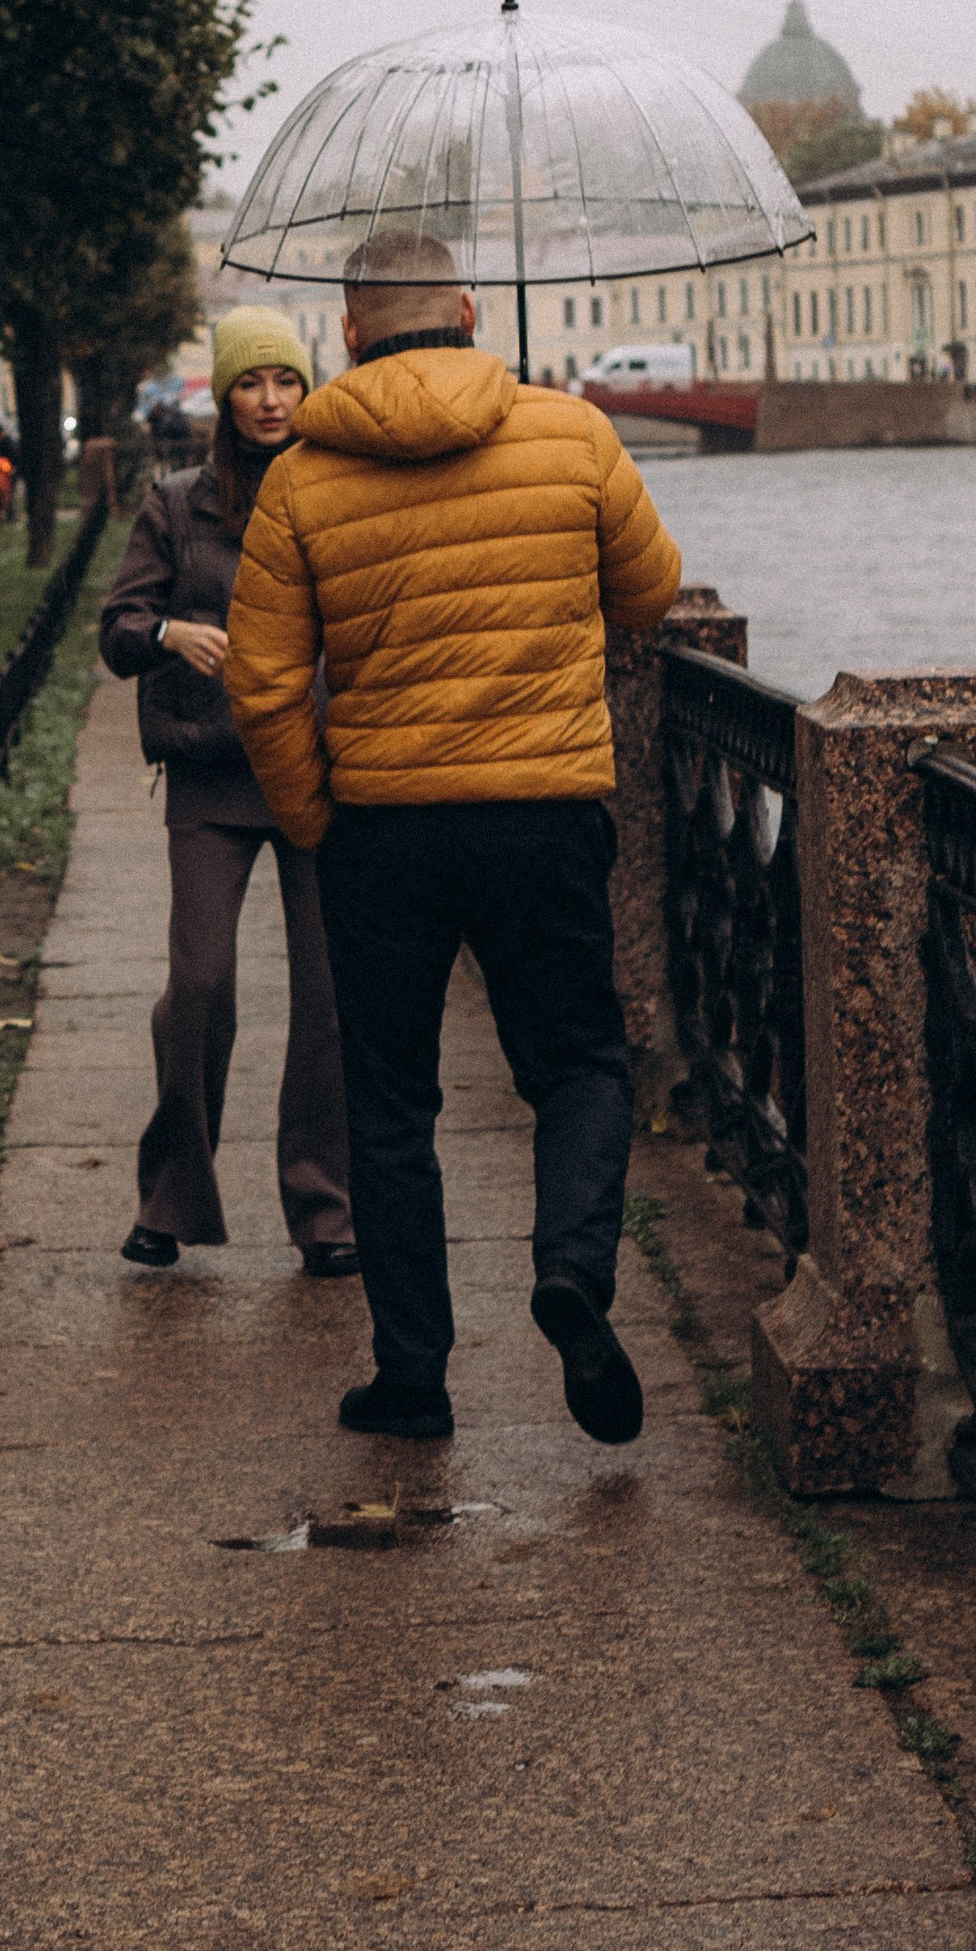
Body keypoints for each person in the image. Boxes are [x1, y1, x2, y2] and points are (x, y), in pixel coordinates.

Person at [224, 234, 682, 1444]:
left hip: (384, 830)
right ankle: (570, 1266)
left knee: (388, 1106)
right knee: (577, 1066)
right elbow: (649, 593)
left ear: (349, 335)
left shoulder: (300, 479)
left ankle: (413, 1378)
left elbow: (263, 685)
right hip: (543, 815)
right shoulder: (572, 434)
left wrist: (313, 815)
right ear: (471, 314)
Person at [96, 312, 357, 1278]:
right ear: (223, 396)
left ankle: (325, 1212)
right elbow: (118, 628)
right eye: (252, 382)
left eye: (287, 380)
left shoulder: (337, 490)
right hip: (211, 770)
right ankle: (171, 1200)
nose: (272, 400)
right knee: (200, 984)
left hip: (318, 772)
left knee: (330, 999)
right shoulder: (177, 504)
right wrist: (169, 634)